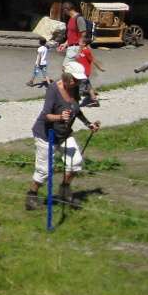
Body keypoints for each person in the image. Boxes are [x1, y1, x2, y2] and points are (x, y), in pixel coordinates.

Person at [25, 73, 100, 209]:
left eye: (78, 81)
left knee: (75, 162)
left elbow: (76, 109)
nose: (76, 83)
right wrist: (60, 117)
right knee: (44, 171)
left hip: (64, 134)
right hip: (46, 135)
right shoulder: (53, 89)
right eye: (74, 80)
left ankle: (64, 191)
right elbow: (46, 115)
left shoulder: (74, 88)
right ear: (66, 78)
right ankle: (31, 197)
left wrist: (88, 124)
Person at [77, 37, 104, 107]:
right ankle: (95, 101)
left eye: (80, 42)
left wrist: (100, 68)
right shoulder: (81, 50)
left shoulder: (87, 51)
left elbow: (93, 60)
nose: (78, 43)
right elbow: (77, 58)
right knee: (89, 87)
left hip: (84, 73)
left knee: (80, 88)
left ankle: (75, 104)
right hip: (80, 71)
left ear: (84, 44)